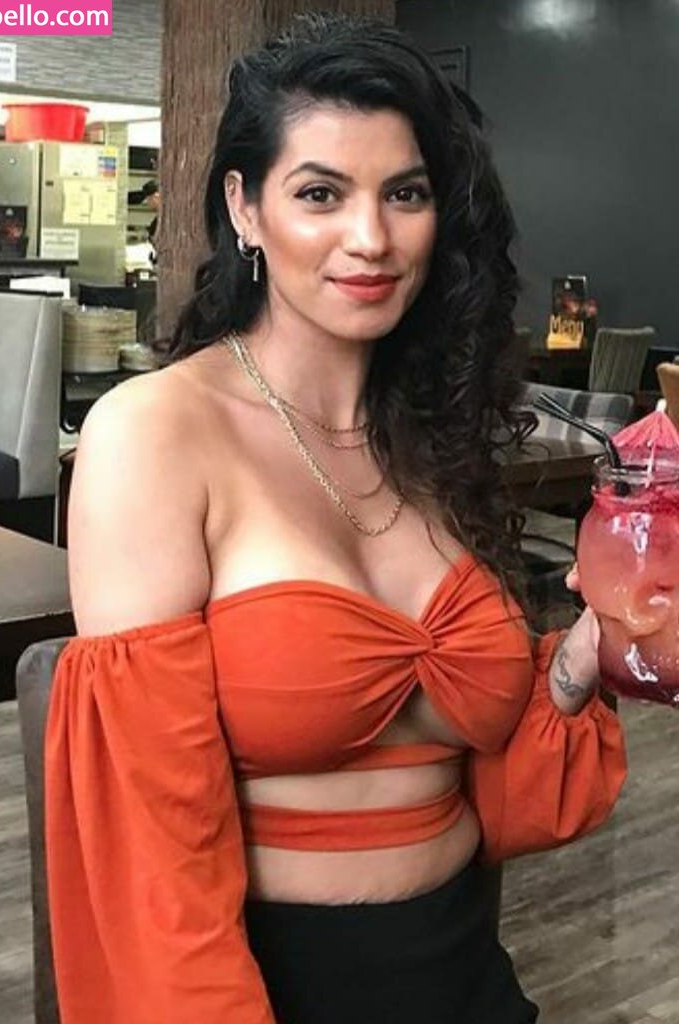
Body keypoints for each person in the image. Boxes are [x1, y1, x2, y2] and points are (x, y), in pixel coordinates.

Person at [45, 14, 626, 1024]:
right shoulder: (156, 434)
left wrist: (587, 652)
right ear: (246, 208)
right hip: (269, 990)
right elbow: (150, 850)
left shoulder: (437, 437)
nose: (371, 238)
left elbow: (491, 787)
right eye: (320, 193)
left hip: (468, 978)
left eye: (405, 193)